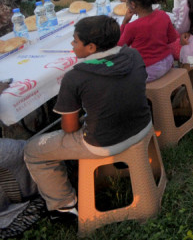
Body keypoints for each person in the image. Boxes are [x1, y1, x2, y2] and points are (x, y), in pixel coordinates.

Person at [24, 15, 152, 220]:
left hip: (104, 143)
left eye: (75, 41)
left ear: (91, 47)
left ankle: (63, 207)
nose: (72, 45)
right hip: (143, 126)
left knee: (33, 150)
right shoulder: (133, 54)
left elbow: (69, 128)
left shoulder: (75, 76)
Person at [118, 0, 178, 82]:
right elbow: (172, 38)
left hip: (147, 72)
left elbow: (119, 47)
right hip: (167, 63)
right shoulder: (163, 15)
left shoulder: (131, 27)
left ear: (132, 5)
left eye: (126, 1)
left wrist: (124, 22)